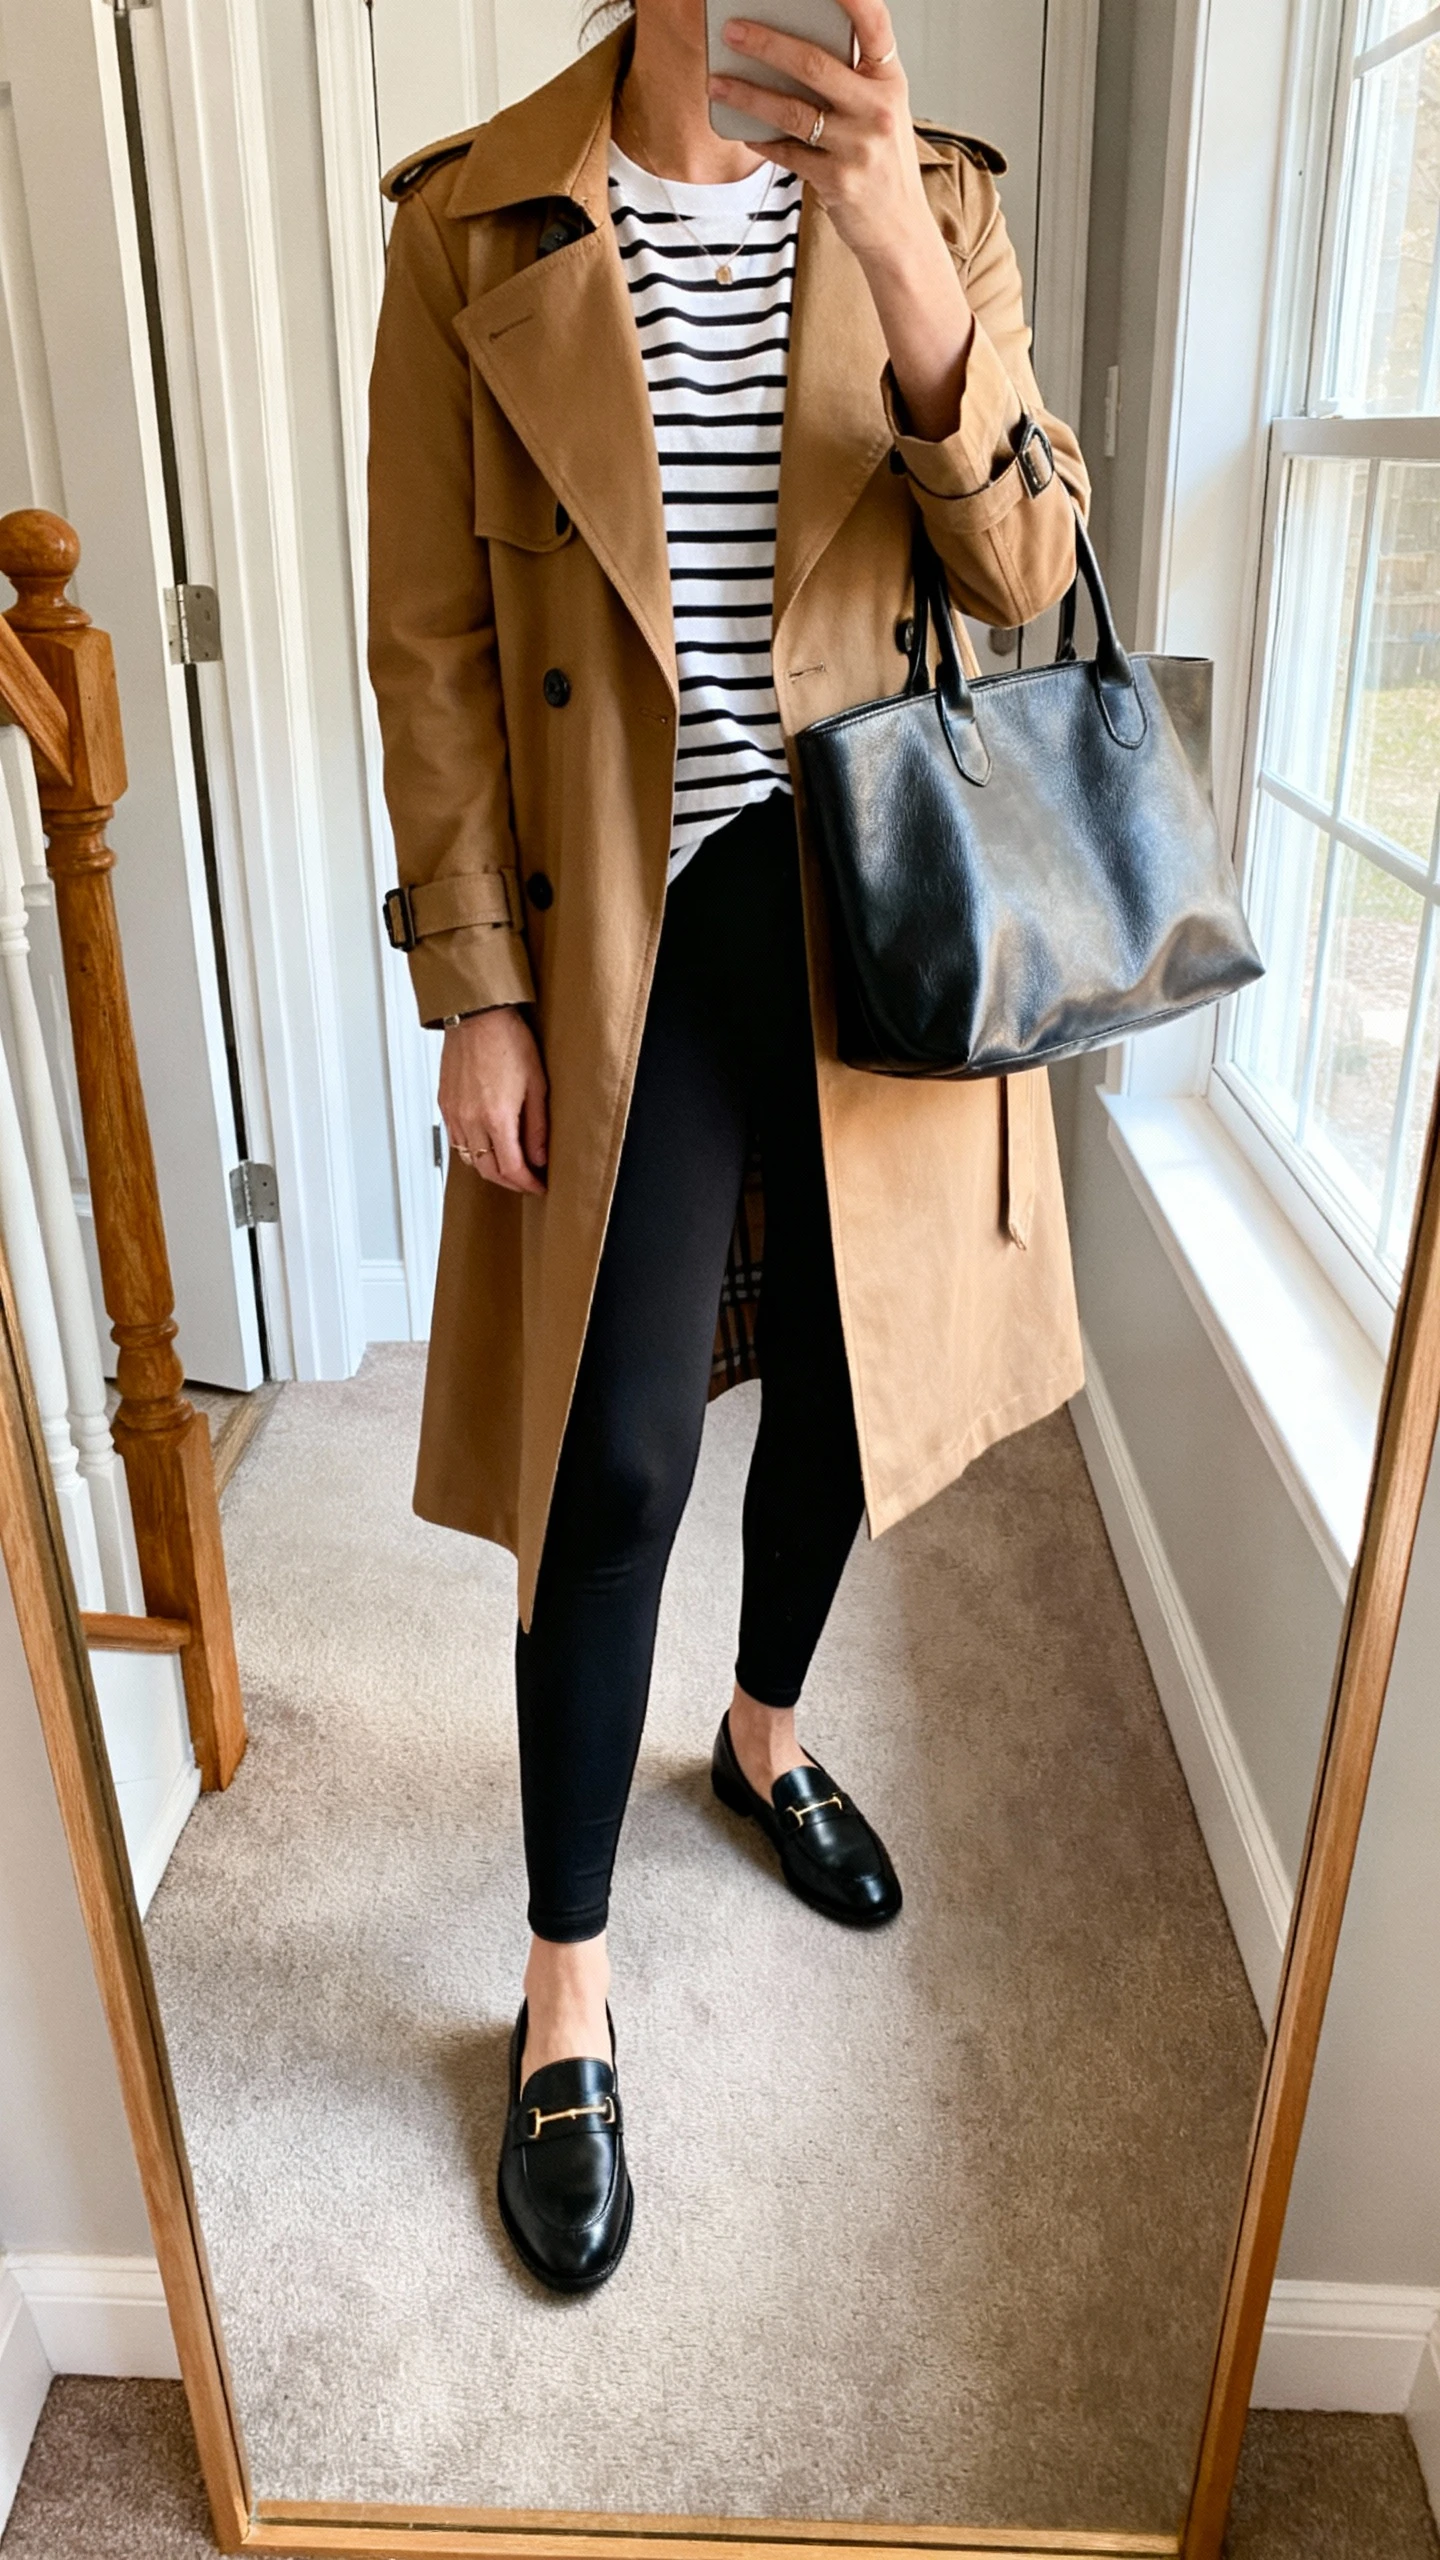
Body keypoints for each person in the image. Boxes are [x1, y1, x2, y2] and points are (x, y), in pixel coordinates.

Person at [367, 0, 1088, 2292]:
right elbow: (431, 644)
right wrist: (479, 985)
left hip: (884, 907)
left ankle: (763, 1734)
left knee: (865, 1396)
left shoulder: (937, 200)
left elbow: (1029, 570)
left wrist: (897, 252)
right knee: (613, 1459)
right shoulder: (472, 220)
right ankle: (565, 1972)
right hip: (627, 920)